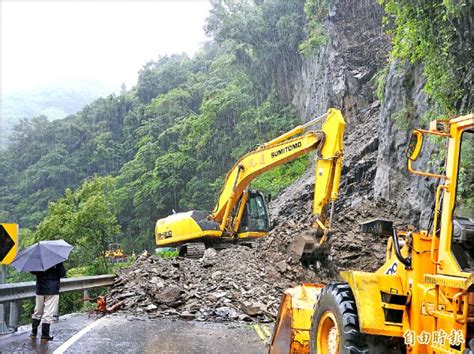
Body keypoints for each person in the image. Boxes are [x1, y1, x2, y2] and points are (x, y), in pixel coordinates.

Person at [30, 262, 66, 342]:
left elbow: (32, 271)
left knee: (38, 310)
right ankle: (45, 335)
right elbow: (62, 273)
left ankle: (33, 333)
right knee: (48, 312)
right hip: (52, 289)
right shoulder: (56, 260)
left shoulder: (38, 259)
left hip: (40, 289)